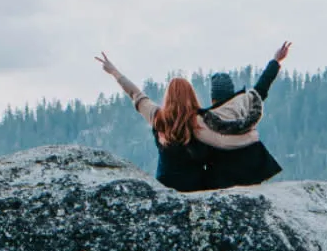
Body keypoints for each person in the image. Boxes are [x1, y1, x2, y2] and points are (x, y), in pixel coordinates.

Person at [96, 43, 290, 191]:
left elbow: (135, 94)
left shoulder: (158, 118)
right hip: (198, 188)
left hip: (165, 185)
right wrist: (275, 62)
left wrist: (114, 71)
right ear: (191, 95)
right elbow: (259, 90)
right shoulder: (199, 122)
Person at [199, 41, 290, 188]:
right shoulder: (246, 102)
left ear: (213, 97)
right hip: (252, 171)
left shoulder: (207, 119)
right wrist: (276, 60)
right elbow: (263, 84)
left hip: (222, 178)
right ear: (232, 93)